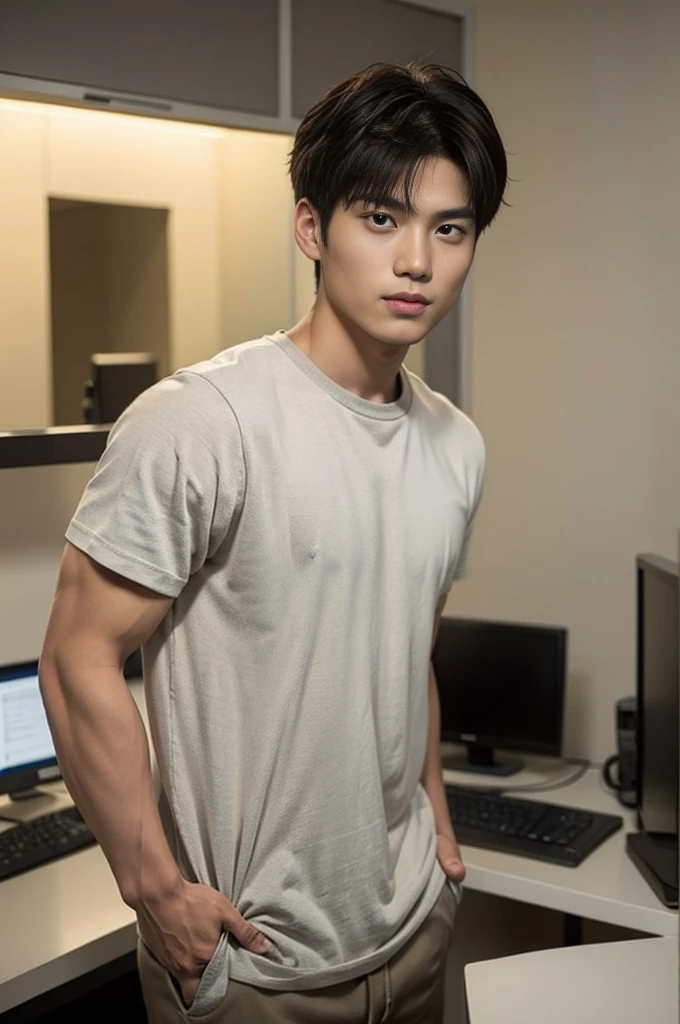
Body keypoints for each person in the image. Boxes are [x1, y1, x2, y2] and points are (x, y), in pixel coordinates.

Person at [39, 61, 506, 1023]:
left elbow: (406, 647)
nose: (416, 260)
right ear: (311, 228)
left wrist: (441, 834)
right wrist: (155, 894)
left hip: (415, 933)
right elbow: (78, 655)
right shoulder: (202, 422)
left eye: (448, 228)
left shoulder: (457, 445)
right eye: (381, 218)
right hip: (256, 969)